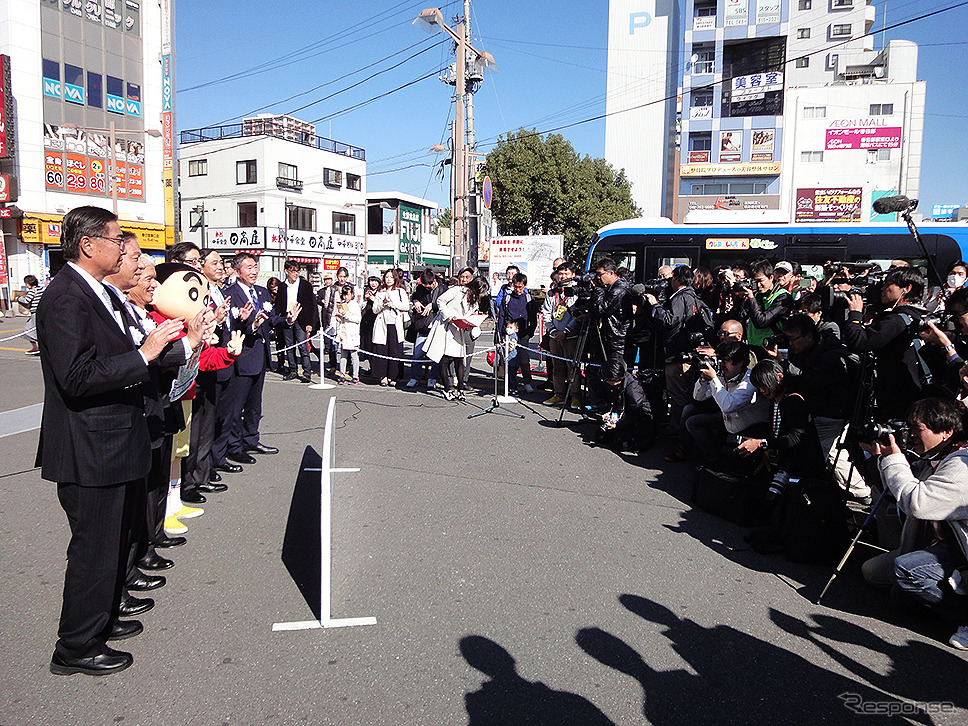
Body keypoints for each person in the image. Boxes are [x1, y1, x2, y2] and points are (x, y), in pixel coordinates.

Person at [37, 206, 186, 676]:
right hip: (89, 447)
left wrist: (154, 352)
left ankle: (100, 621)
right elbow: (76, 376)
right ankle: (76, 645)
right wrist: (144, 354)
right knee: (93, 549)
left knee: (114, 542)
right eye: (118, 239)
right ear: (88, 244)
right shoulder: (65, 296)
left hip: (114, 440)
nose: (125, 249)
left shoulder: (97, 292)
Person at [860, 398, 968, 650]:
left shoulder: (961, 464)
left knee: (906, 571)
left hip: (962, 553)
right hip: (940, 545)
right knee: (890, 587)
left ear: (946, 432)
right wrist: (881, 458)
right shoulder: (934, 456)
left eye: (917, 430)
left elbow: (917, 503)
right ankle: (949, 598)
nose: (910, 436)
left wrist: (895, 460)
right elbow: (896, 491)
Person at [216, 252, 297, 468]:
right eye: (249, 267)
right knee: (237, 405)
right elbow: (229, 328)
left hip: (260, 356)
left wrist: (286, 319)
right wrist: (250, 326)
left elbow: (269, 320)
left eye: (255, 267)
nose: (254, 271)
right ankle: (234, 446)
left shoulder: (260, 292)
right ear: (236, 270)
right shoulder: (229, 295)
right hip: (241, 355)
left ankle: (251, 439)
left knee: (255, 404)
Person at [841, 266, 926, 419]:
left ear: (906, 288)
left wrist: (855, 314)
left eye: (888, 284)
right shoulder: (918, 316)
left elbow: (859, 342)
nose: (883, 288)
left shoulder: (896, 320)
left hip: (896, 399)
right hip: (913, 394)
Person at [646, 264, 714, 438]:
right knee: (688, 394)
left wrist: (655, 306)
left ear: (677, 279)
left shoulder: (680, 297)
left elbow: (670, 320)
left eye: (671, 279)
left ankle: (677, 428)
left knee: (677, 395)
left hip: (678, 354)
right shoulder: (695, 297)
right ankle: (684, 428)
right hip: (691, 353)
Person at [686, 340, 770, 463]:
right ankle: (712, 457)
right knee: (693, 422)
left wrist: (714, 379)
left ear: (740, 362)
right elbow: (699, 397)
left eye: (726, 361)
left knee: (731, 457)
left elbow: (728, 406)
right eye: (720, 360)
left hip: (750, 429)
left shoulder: (749, 381)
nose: (722, 365)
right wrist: (703, 380)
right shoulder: (722, 374)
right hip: (730, 422)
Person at [425, 276, 489, 401]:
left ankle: (460, 388)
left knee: (459, 359)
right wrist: (449, 315)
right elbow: (440, 301)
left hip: (459, 329)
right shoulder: (457, 290)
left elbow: (470, 314)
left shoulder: (475, 299)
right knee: (445, 359)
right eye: (482, 290)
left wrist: (470, 324)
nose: (482, 293)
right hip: (446, 327)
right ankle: (447, 389)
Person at [542, 262, 580, 406]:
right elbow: (546, 314)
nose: (563, 276)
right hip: (554, 336)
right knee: (556, 367)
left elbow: (578, 316)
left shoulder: (576, 292)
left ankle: (575, 395)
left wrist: (565, 332)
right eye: (561, 273)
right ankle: (559, 394)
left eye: (566, 273)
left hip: (571, 336)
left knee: (572, 367)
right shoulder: (552, 293)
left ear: (573, 275)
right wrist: (553, 331)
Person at [277, 260, 319, 383]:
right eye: (292, 271)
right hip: (287, 318)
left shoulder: (305, 285)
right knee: (289, 346)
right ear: (286, 271)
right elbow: (279, 304)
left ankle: (307, 372)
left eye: (297, 271)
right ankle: (292, 370)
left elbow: (311, 305)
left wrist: (310, 323)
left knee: (302, 345)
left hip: (301, 319)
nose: (295, 274)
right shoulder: (282, 286)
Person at [498, 272, 539, 394]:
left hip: (523, 333)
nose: (518, 289)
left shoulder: (529, 299)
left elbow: (533, 318)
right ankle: (511, 383)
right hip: (509, 334)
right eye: (516, 286)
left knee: (524, 359)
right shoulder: (507, 298)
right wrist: (501, 333)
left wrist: (530, 332)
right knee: (509, 359)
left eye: (520, 287)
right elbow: (501, 316)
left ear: (525, 285)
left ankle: (527, 382)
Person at [406, 269, 446, 389]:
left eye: (428, 286)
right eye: (424, 286)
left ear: (434, 281)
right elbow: (415, 297)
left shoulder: (443, 289)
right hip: (423, 326)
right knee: (417, 354)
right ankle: (414, 377)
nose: (427, 288)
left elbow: (447, 304)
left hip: (437, 326)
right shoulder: (420, 288)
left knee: (434, 355)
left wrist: (433, 305)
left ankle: (432, 378)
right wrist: (416, 302)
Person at [742, 259, 794, 349]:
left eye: (760, 280)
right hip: (752, 345)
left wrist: (751, 298)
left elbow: (761, 322)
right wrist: (740, 298)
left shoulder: (782, 297)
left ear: (771, 277)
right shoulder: (756, 295)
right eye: (755, 282)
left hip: (771, 347)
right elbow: (739, 317)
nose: (758, 285)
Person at [370, 268, 410, 387]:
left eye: (391, 277)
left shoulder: (400, 291)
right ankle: (383, 376)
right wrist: (382, 303)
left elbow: (406, 306)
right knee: (382, 349)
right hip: (382, 323)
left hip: (395, 323)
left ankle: (393, 376)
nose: (388, 279)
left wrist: (393, 304)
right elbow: (374, 310)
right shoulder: (380, 292)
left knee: (394, 350)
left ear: (395, 278)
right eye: (387, 277)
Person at [316, 268, 349, 379]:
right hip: (333, 319)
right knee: (333, 345)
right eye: (340, 276)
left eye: (344, 276)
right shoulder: (332, 289)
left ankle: (346, 366)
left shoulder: (350, 288)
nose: (342, 279)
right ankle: (333, 366)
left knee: (346, 344)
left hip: (346, 319)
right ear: (337, 276)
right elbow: (326, 304)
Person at [334, 284, 362, 384]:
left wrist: (346, 315)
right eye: (344, 295)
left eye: (348, 294)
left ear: (352, 294)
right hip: (343, 333)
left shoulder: (354, 305)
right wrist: (339, 317)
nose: (346, 297)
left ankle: (355, 376)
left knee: (354, 356)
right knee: (343, 355)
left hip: (352, 334)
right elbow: (342, 319)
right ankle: (342, 375)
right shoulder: (342, 304)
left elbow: (358, 319)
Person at [360, 275, 382, 373]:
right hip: (366, 321)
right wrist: (365, 299)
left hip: (377, 321)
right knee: (367, 345)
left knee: (376, 346)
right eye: (371, 281)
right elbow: (359, 306)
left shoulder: (381, 291)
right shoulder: (365, 290)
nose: (373, 283)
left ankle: (375, 367)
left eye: (375, 281)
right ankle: (370, 367)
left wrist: (373, 299)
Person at [17, 274, 44, 355]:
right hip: (40, 312)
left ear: (28, 284)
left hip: (35, 313)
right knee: (35, 330)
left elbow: (26, 300)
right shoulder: (41, 289)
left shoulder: (33, 291)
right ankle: (37, 347)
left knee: (27, 330)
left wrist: (18, 298)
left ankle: (36, 347)